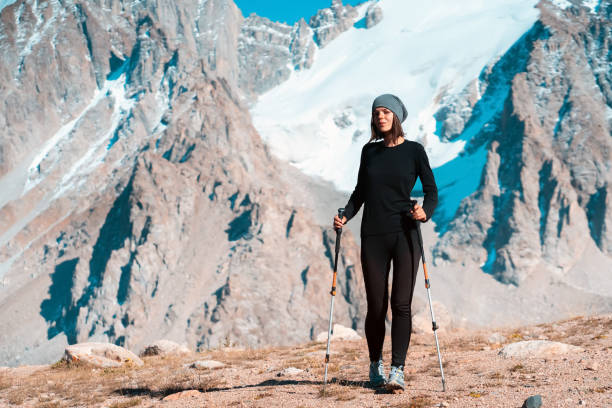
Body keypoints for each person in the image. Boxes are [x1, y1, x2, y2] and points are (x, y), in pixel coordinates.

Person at [333, 94, 438, 391]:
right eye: (376, 112)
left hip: (405, 234)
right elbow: (360, 193)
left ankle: (398, 370)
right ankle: (375, 363)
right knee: (376, 306)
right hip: (374, 236)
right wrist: (345, 216)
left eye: (385, 112)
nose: (380, 116)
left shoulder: (415, 151)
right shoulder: (370, 153)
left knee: (400, 304)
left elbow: (431, 191)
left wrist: (424, 212)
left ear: (397, 116)